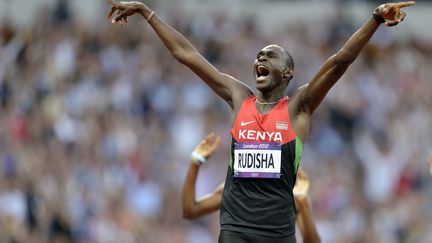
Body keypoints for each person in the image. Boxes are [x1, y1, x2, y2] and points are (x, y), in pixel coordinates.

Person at [106, 1, 415, 242]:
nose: (261, 59)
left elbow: (339, 63)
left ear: (289, 72)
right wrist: (147, 12)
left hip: (277, 232)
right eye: (258, 55)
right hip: (235, 227)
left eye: (271, 56)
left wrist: (374, 19)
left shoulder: (299, 107)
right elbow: (187, 54)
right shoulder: (238, 98)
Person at [181, 133, 320, 243]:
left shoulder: (291, 197)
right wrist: (196, 161)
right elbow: (190, 210)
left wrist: (302, 202)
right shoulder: (234, 190)